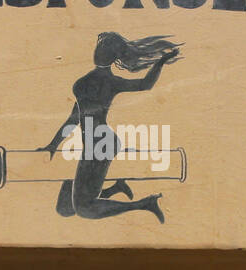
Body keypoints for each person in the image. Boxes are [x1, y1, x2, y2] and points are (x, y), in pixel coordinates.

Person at [40, 31, 181, 222]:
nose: (97, 51)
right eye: (99, 48)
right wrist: (52, 145)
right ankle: (115, 188)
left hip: (102, 143)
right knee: (65, 208)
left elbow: (145, 85)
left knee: (84, 209)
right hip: (96, 143)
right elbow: (74, 118)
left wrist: (161, 62)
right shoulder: (86, 83)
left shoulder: (96, 82)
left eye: (102, 49)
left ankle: (146, 204)